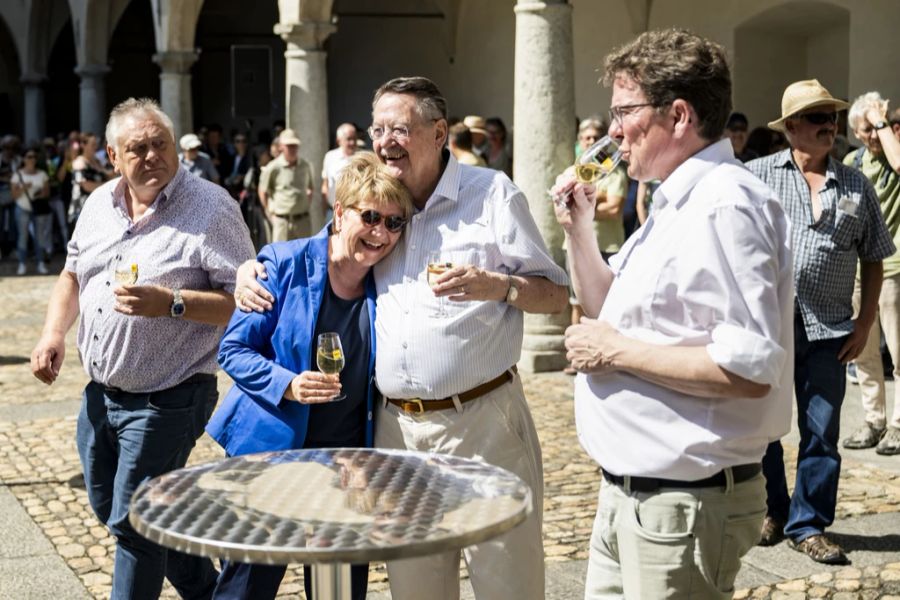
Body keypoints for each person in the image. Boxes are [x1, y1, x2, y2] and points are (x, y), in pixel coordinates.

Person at [235, 76, 569, 600]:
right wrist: (251, 268)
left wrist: (496, 285)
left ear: (439, 133)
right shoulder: (383, 209)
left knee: (507, 581)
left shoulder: (492, 194)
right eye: (378, 128)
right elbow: (325, 249)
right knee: (417, 587)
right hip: (396, 434)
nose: (386, 139)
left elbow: (556, 296)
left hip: (482, 424)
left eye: (400, 128)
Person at [552, 29, 793, 598]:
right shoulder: (675, 202)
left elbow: (748, 369)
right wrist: (579, 233)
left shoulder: (725, 204)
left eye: (623, 112)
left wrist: (612, 351)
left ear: (678, 115)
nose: (612, 131)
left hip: (684, 504)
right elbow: (606, 309)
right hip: (633, 495)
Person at [29, 97, 254, 600]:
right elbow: (71, 275)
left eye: (161, 144)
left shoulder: (212, 208)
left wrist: (170, 303)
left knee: (135, 524)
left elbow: (247, 303)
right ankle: (210, 592)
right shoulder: (98, 205)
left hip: (170, 395)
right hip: (101, 395)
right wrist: (52, 334)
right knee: (114, 505)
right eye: (138, 148)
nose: (153, 155)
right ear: (113, 156)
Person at [207, 153, 413, 600]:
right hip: (270, 458)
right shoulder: (281, 263)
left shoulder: (389, 283)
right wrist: (288, 383)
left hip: (345, 467)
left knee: (338, 592)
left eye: (394, 223)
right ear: (340, 211)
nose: (381, 233)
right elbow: (234, 350)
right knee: (246, 589)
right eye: (371, 216)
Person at [748, 79, 894, 565]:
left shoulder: (856, 183)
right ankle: (772, 510)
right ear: (791, 128)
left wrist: (864, 320)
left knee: (822, 430)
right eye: (817, 118)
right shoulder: (757, 176)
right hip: (769, 326)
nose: (828, 125)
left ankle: (808, 524)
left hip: (831, 328)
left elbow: (874, 256)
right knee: (766, 428)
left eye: (831, 117)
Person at [841, 91, 900, 455]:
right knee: (863, 351)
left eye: (875, 129)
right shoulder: (852, 161)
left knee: (899, 352)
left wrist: (883, 124)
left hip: (894, 268)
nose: (871, 137)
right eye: (865, 131)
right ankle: (874, 419)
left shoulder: (893, 156)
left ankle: (898, 424)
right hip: (859, 271)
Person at [563, 117, 628, 375]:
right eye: (586, 138)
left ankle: (604, 354)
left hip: (609, 244)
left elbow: (614, 208)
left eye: (595, 137)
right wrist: (591, 203)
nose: (590, 142)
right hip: (577, 245)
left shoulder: (616, 172)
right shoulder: (575, 171)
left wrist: (586, 209)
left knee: (608, 306)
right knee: (576, 303)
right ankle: (576, 357)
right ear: (580, 141)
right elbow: (567, 204)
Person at [258, 128, 313, 242]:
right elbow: (263, 191)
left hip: (302, 220)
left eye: (295, 145)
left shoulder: (305, 165)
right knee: (282, 256)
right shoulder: (273, 167)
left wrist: (304, 204)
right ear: (281, 147)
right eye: (289, 146)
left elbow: (310, 188)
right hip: (282, 221)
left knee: (304, 255)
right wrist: (270, 213)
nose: (292, 149)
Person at [11, 147, 52, 275]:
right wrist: (23, 188)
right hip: (22, 208)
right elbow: (14, 195)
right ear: (24, 159)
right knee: (23, 236)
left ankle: (41, 263)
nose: (32, 159)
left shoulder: (42, 174)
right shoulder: (17, 175)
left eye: (34, 157)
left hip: (38, 209)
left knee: (40, 237)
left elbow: (47, 193)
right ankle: (22, 264)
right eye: (29, 157)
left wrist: (39, 194)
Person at [69, 132, 111, 226]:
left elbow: (109, 175)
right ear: (83, 145)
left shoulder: (97, 161)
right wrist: (108, 185)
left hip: (99, 208)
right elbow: (86, 186)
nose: (95, 147)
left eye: (96, 144)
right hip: (84, 210)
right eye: (92, 144)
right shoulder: (79, 163)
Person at [321, 123, 359, 221]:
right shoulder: (330, 157)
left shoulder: (362, 158)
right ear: (339, 141)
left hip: (355, 212)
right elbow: (325, 185)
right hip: (332, 211)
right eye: (349, 139)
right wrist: (324, 210)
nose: (352, 142)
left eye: (354, 138)